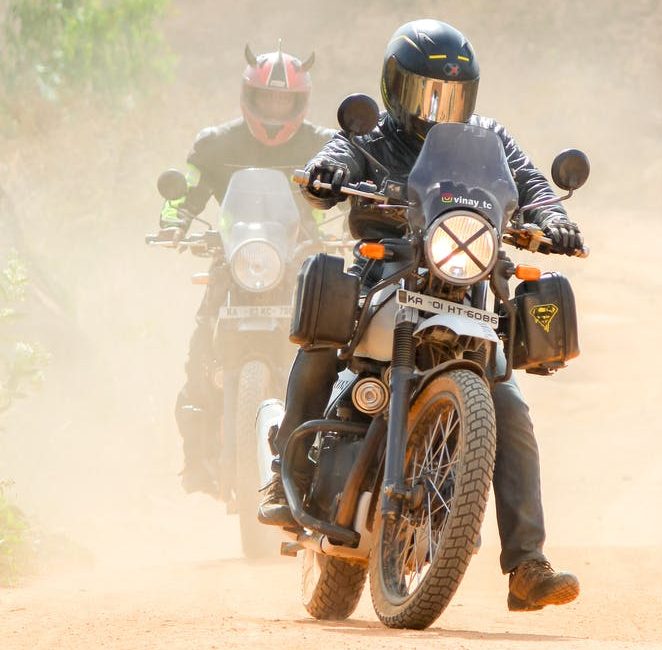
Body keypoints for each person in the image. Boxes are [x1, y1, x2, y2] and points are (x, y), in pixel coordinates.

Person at [260, 20, 586, 612]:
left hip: (467, 289)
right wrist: (329, 174)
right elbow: (335, 154)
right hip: (387, 272)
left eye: (451, 96)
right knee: (324, 343)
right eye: (424, 93)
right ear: (393, 88)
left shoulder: (490, 139)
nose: (438, 107)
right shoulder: (372, 134)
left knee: (510, 409)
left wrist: (553, 217)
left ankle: (526, 564)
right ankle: (287, 474)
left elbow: (532, 185)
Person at [160, 43, 335, 495]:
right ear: (249, 96)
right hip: (234, 262)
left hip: (301, 263)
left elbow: (353, 191)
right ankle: (196, 456)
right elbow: (188, 189)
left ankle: (330, 459)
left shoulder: (323, 144)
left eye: (284, 101)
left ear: (299, 103)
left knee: (335, 350)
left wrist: (359, 224)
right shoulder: (216, 143)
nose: (275, 109)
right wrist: (174, 220)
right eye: (267, 98)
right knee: (200, 352)